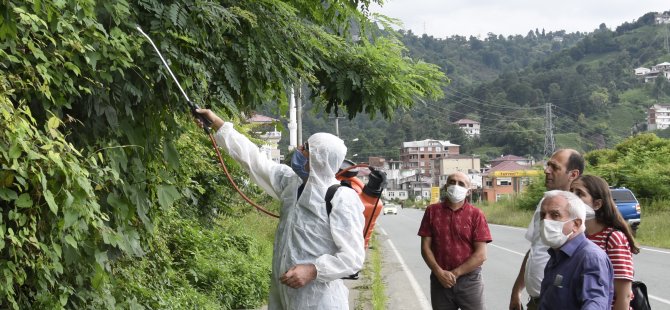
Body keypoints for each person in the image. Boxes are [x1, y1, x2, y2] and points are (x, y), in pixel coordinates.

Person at [196, 109, 366, 309]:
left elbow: (353, 257)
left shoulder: (341, 198)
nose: (299, 151)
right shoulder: (291, 184)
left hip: (319, 302)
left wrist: (313, 270)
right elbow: (254, 160)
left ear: (319, 158)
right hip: (283, 296)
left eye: (306, 148)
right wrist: (218, 124)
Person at [510, 149, 584, 310]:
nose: (546, 170)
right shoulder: (546, 202)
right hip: (536, 301)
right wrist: (517, 291)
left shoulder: (581, 209)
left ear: (573, 174)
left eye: (554, 167)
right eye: (548, 165)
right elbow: (535, 248)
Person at [418, 172, 492, 310]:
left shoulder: (476, 214)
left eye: (461, 184)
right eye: (452, 182)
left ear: (468, 191)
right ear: (446, 186)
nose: (455, 186)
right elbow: (425, 248)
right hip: (439, 280)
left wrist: (454, 274)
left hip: (469, 281)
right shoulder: (432, 211)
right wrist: (439, 273)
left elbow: (481, 255)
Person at [570, 175, 638, 310]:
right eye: (571, 192)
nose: (572, 198)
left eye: (579, 194)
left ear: (597, 204)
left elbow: (623, 296)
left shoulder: (613, 238)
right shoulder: (577, 236)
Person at [537, 190, 614, 309]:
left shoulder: (590, 257)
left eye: (555, 215)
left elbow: (594, 304)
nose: (546, 221)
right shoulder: (557, 255)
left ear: (576, 224)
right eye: (543, 215)